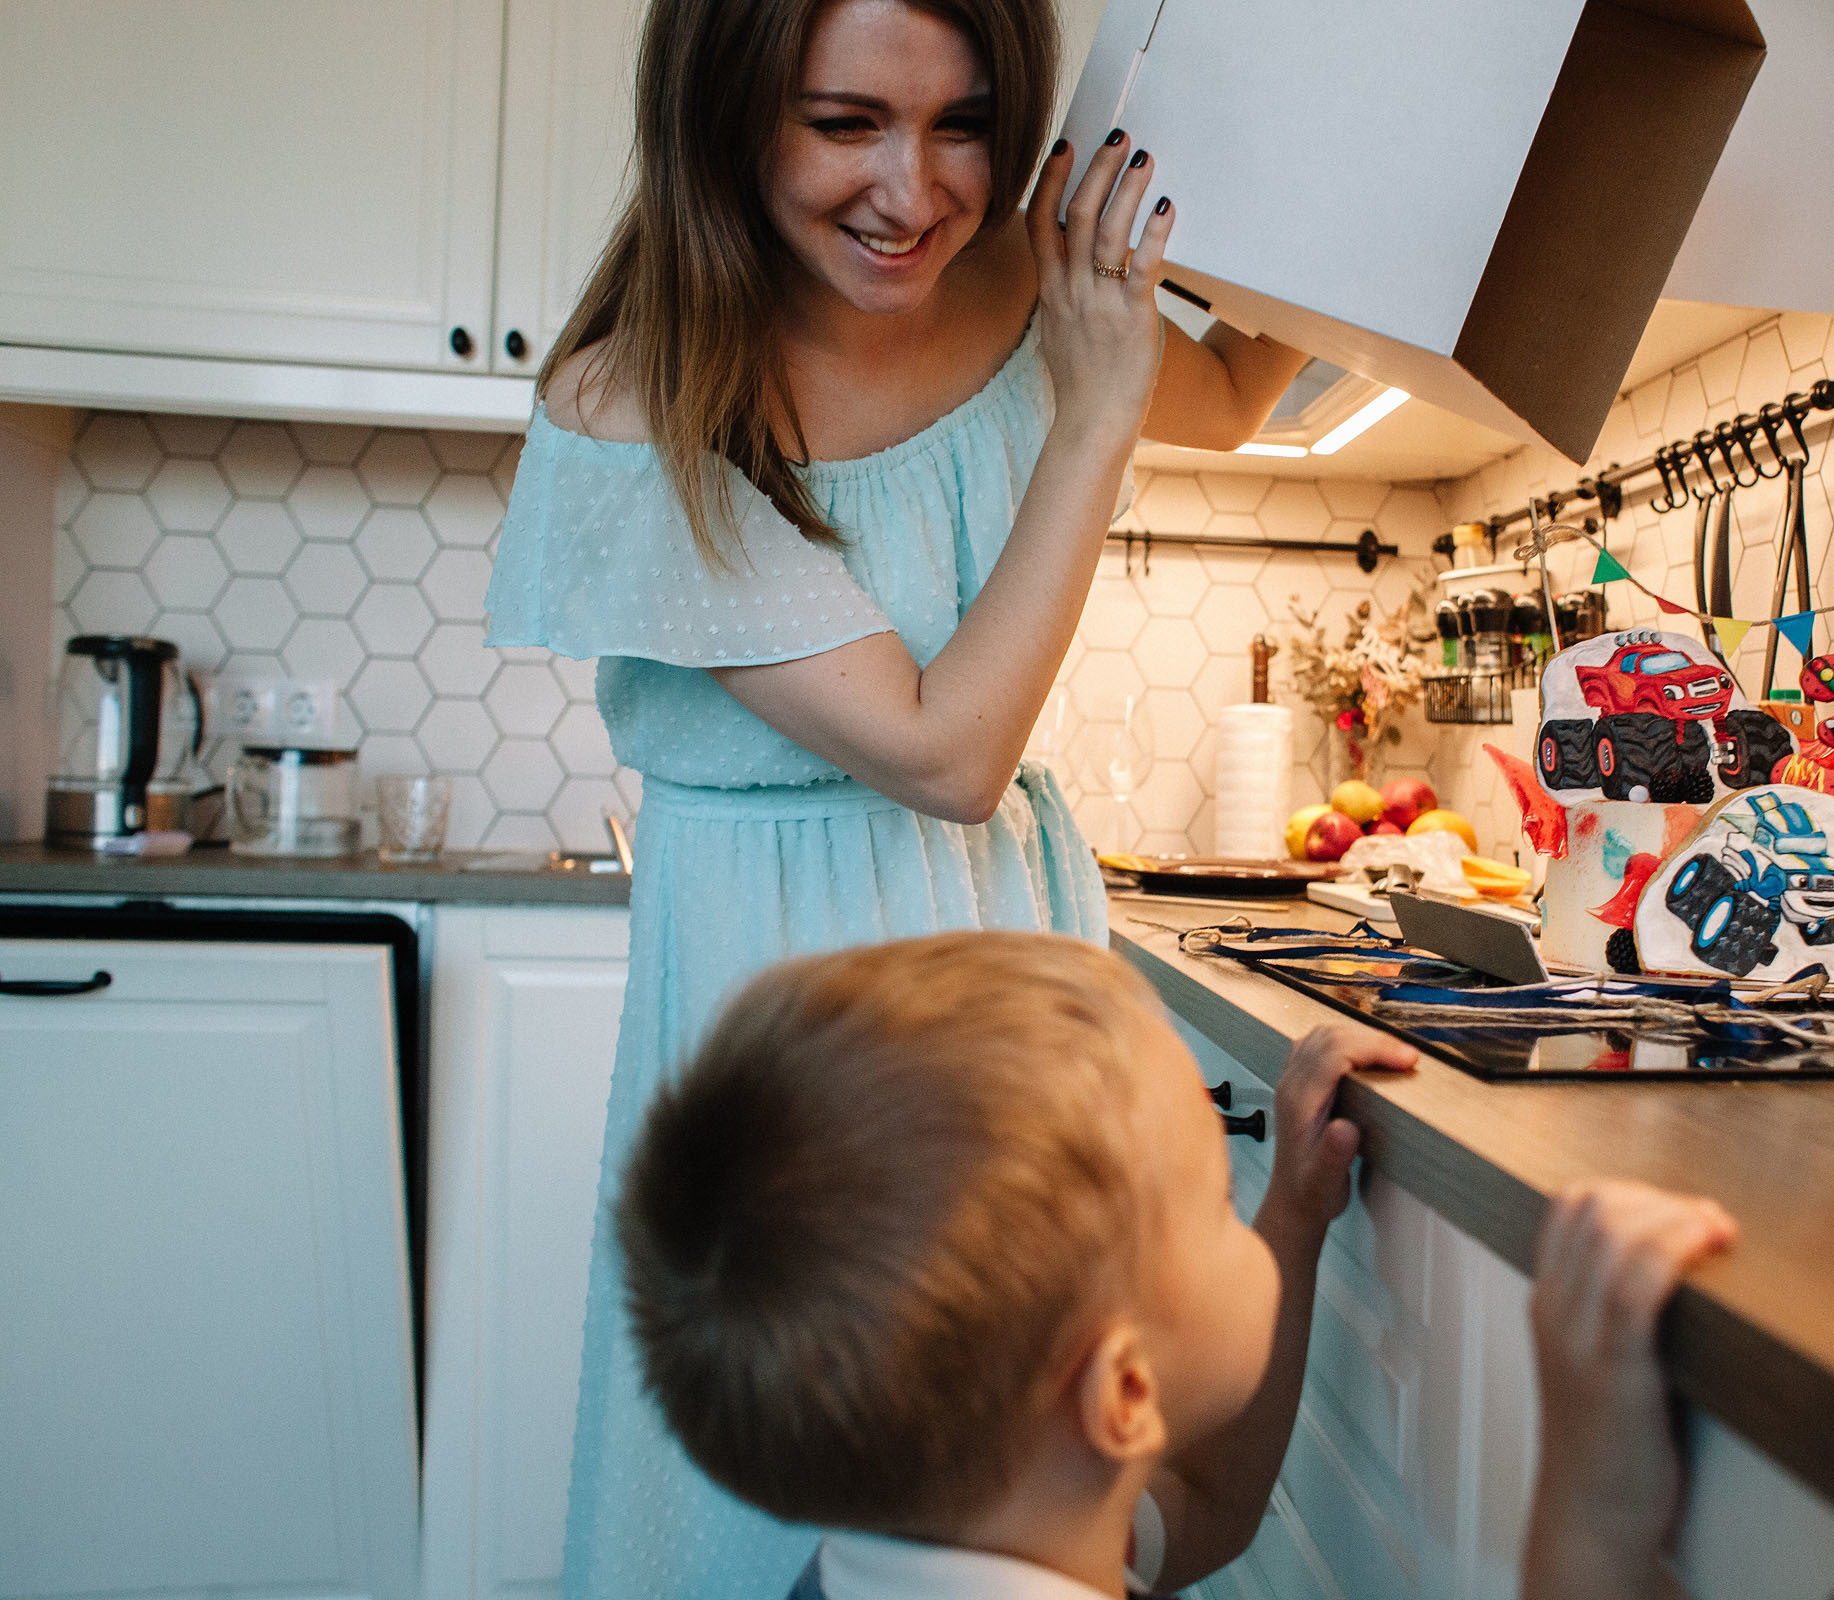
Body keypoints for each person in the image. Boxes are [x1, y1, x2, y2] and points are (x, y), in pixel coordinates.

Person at [483, 0, 1310, 1591]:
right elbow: (946, 754)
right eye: (846, 121)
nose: (916, 191)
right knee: (795, 1461)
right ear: (723, 112)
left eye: (965, 123)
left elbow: (1238, 390)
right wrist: (1088, 412)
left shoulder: (1011, 277)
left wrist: (1346, 189)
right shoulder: (631, 404)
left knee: (1052, 1450)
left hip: (1013, 944)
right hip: (801, 991)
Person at [618, 931, 1741, 1599]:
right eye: (1216, 1196)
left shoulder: (975, 1530)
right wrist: (1587, 1523)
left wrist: (1293, 1220)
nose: (1238, 1210)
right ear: (1126, 1391)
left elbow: (1206, 1501)